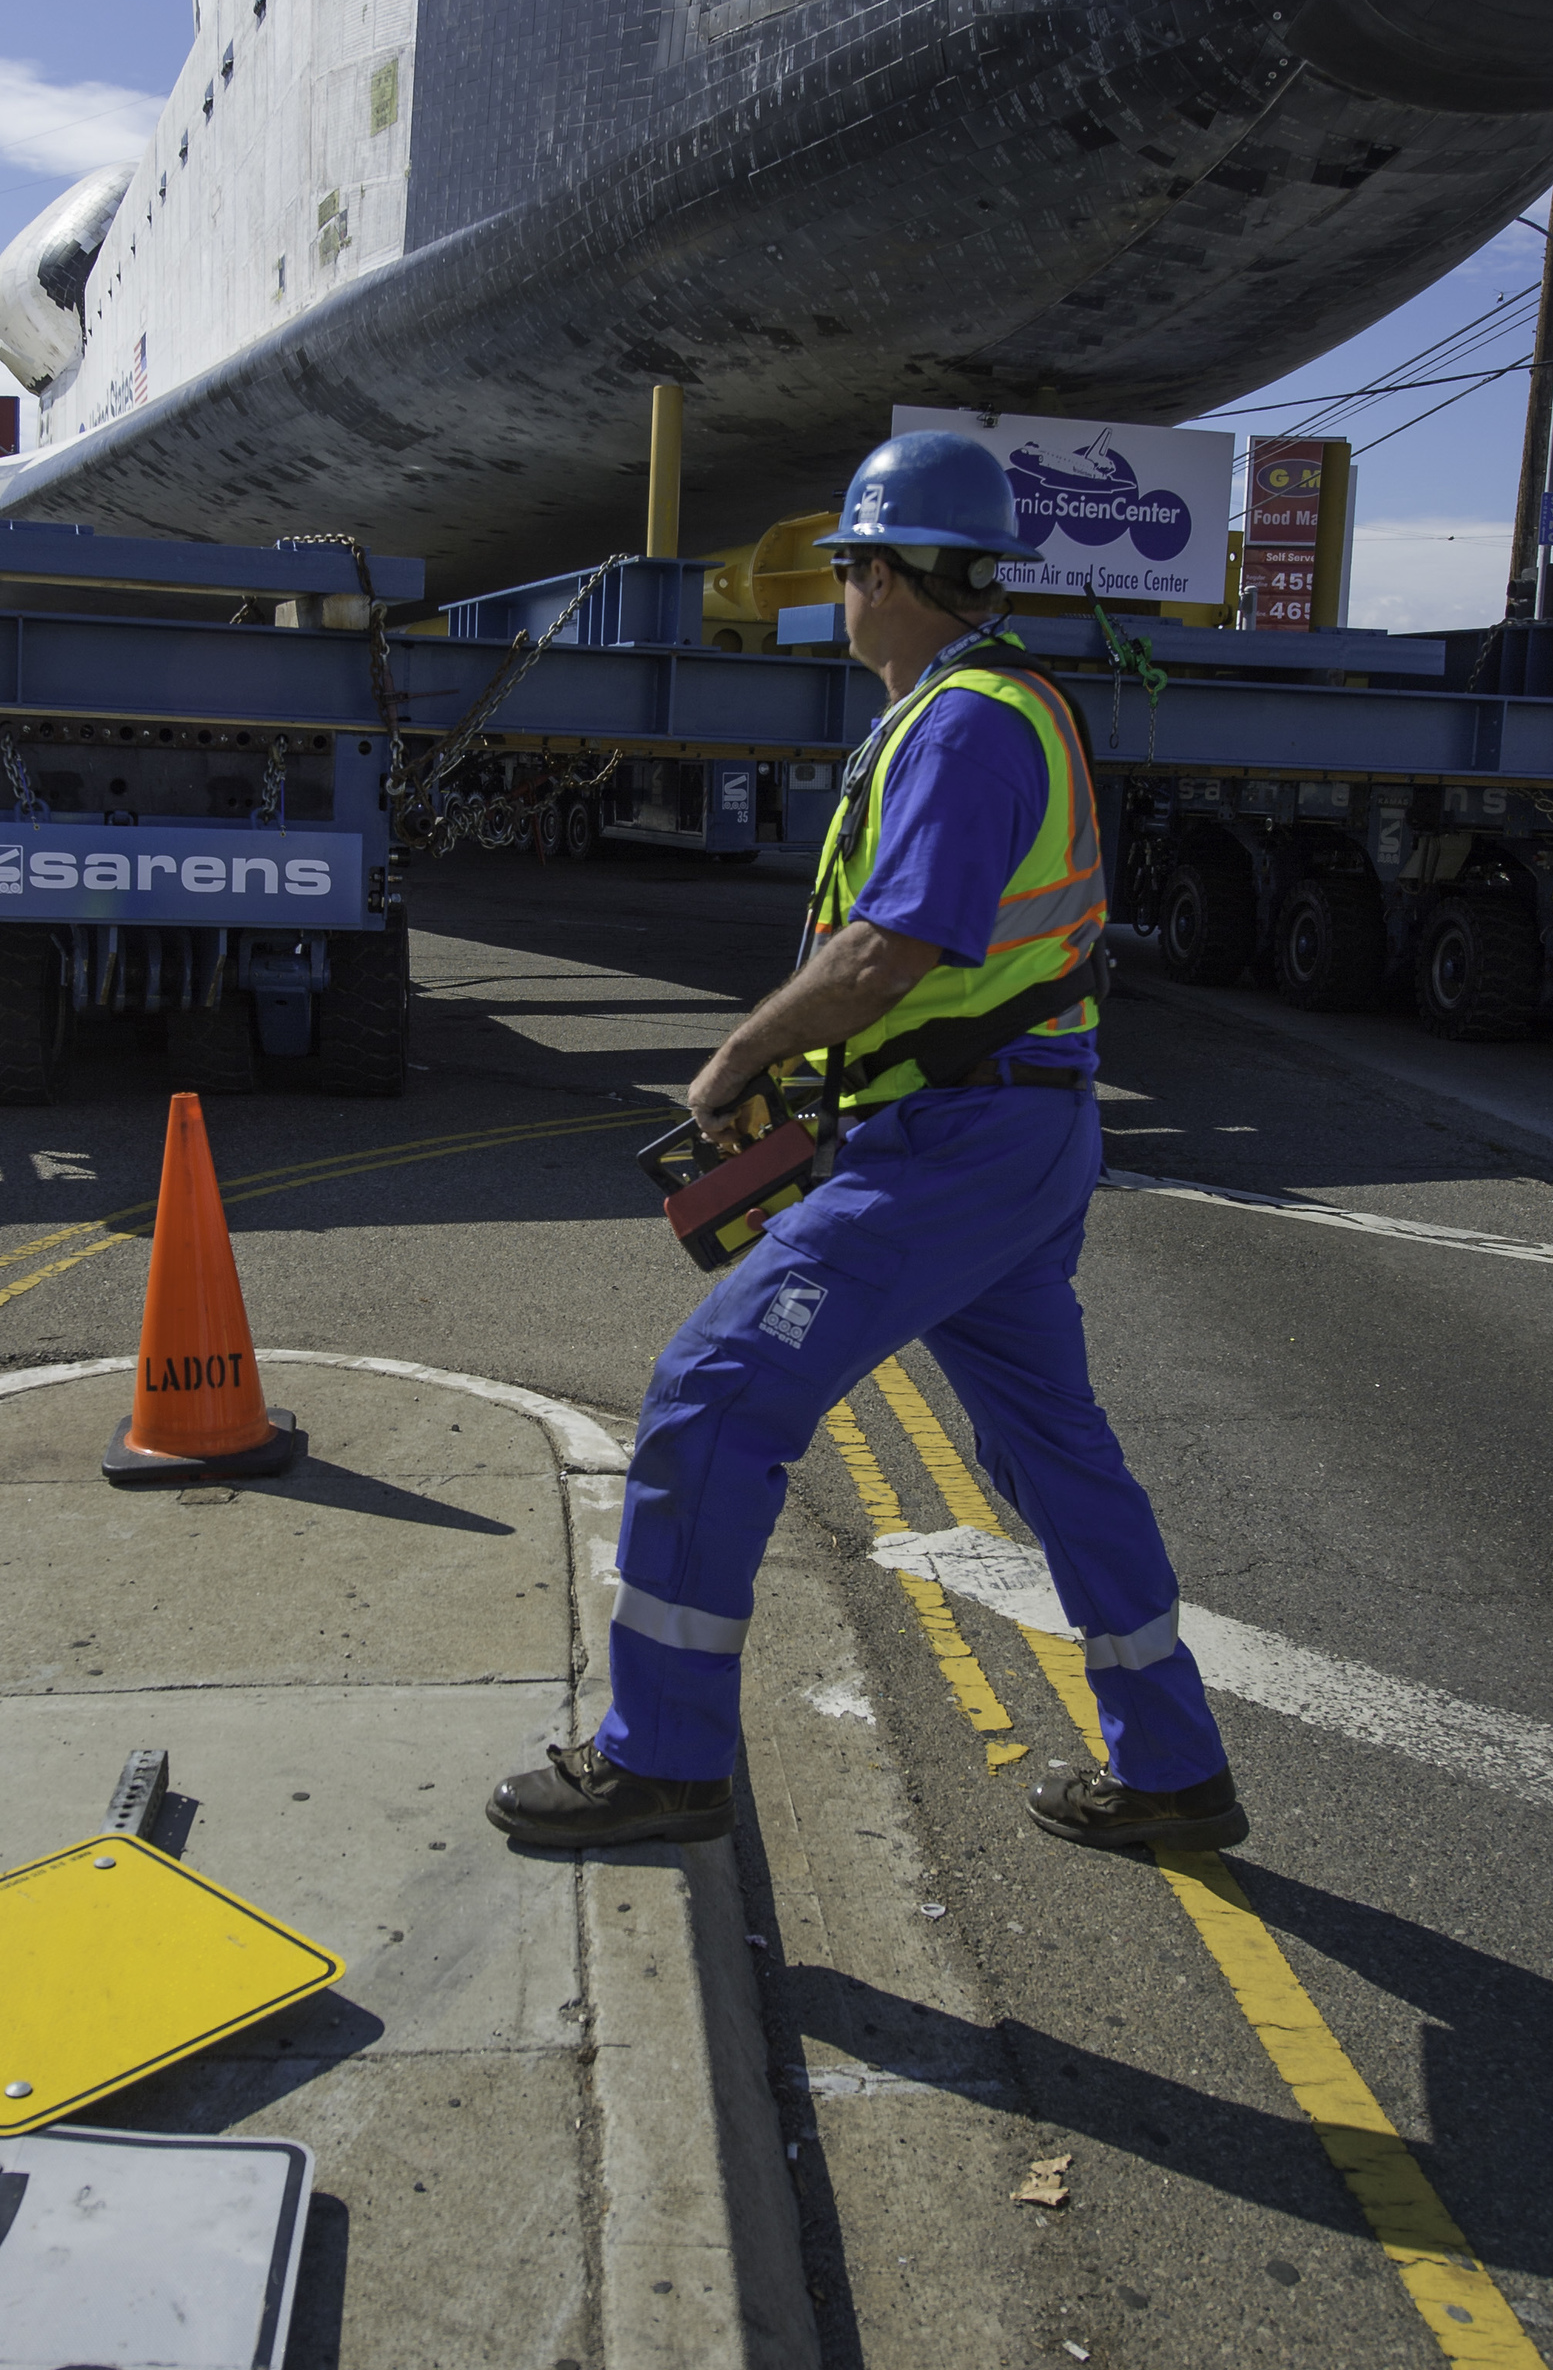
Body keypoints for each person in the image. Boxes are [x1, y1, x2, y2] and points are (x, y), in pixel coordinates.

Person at [489, 427, 1245, 1864]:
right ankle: (1174, 1766)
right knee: (1052, 1454)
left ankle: (663, 1758)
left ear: (886, 572)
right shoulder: (988, 708)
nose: (838, 592)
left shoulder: (964, 723)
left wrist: (736, 1059)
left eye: (845, 567)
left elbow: (895, 947)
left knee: (712, 1395)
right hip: (1007, 1130)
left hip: (953, 1141)